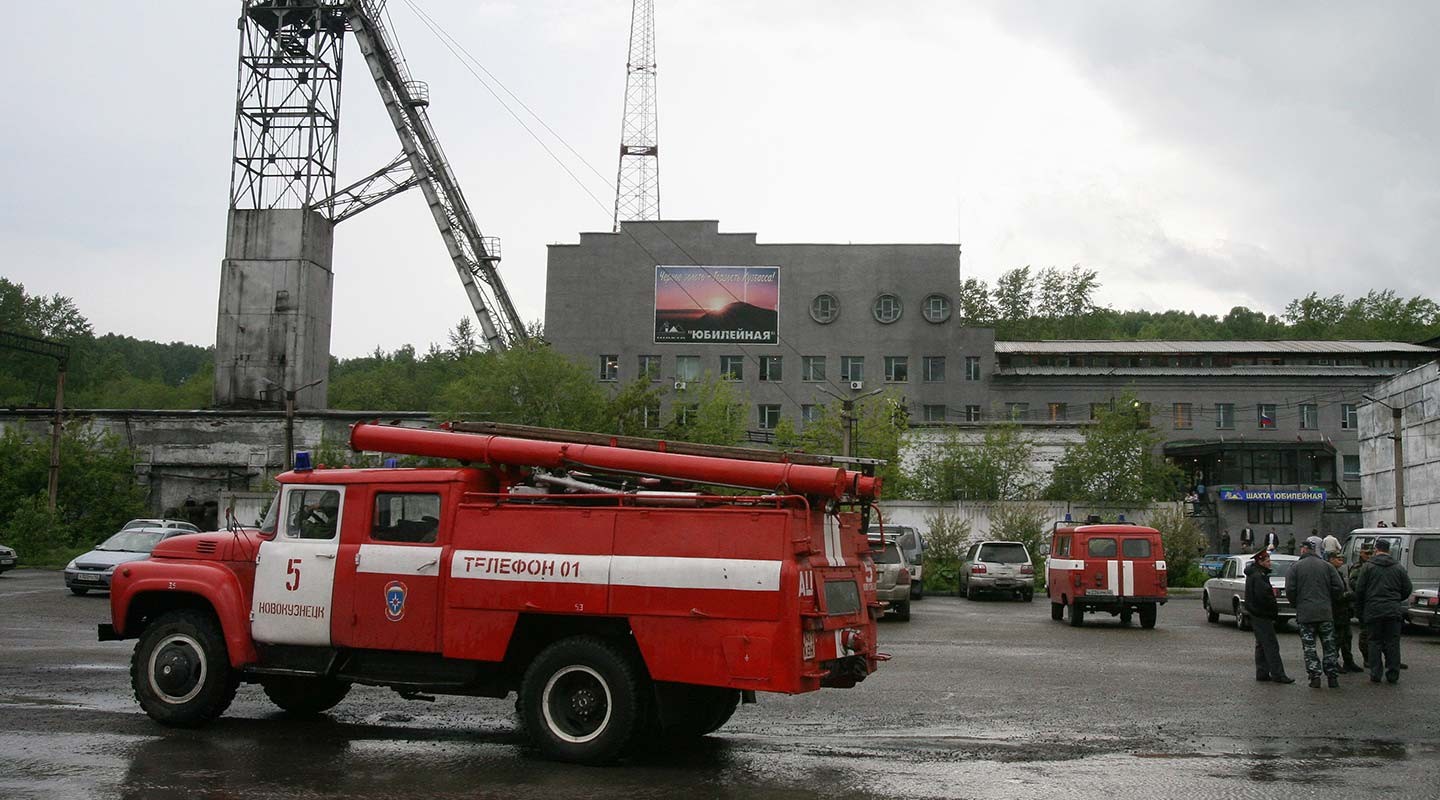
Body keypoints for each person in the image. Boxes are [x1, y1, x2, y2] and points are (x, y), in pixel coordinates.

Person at [1285, 536, 1344, 688]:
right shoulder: (1327, 566)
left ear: (1303, 549)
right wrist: (1329, 600)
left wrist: (1296, 604)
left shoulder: (1295, 567)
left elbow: (1290, 590)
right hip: (1325, 612)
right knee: (1329, 646)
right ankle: (1332, 677)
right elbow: (1339, 587)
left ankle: (1315, 677)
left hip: (1305, 614)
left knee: (1309, 647)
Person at [1354, 538, 1414, 684]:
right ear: (1389, 550)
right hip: (1393, 610)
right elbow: (1407, 588)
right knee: (1392, 642)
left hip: (1373, 609)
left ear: (1376, 549)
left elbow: (1359, 590)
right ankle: (1393, 673)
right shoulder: (1398, 567)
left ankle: (1375, 673)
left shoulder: (1368, 567)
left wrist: (1361, 610)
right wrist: (1396, 599)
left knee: (1374, 642)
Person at [1246, 549, 1294, 684]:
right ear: (1260, 562)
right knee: (1271, 645)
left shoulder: (1256, 575)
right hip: (1261, 615)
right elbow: (1264, 598)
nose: (1270, 563)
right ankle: (1278, 674)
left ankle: (1262, 672)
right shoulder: (1258, 576)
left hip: (1257, 614)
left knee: (1261, 644)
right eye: (1267, 561)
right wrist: (1272, 611)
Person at [1327, 550, 1364, 673]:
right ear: (1331, 559)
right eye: (1338, 559)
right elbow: (1335, 594)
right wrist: (1349, 595)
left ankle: (1348, 661)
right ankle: (1334, 662)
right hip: (1335, 610)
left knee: (1347, 637)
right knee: (1337, 638)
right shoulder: (1329, 573)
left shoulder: (1337, 572)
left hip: (1343, 610)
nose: (1341, 561)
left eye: (1342, 559)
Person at [1349, 545, 1374, 667]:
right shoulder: (1357, 567)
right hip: (1363, 603)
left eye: (1370, 553)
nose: (1369, 556)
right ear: (1361, 554)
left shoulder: (1375, 566)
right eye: (1366, 554)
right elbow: (1353, 583)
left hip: (1375, 603)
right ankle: (1367, 657)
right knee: (1365, 633)